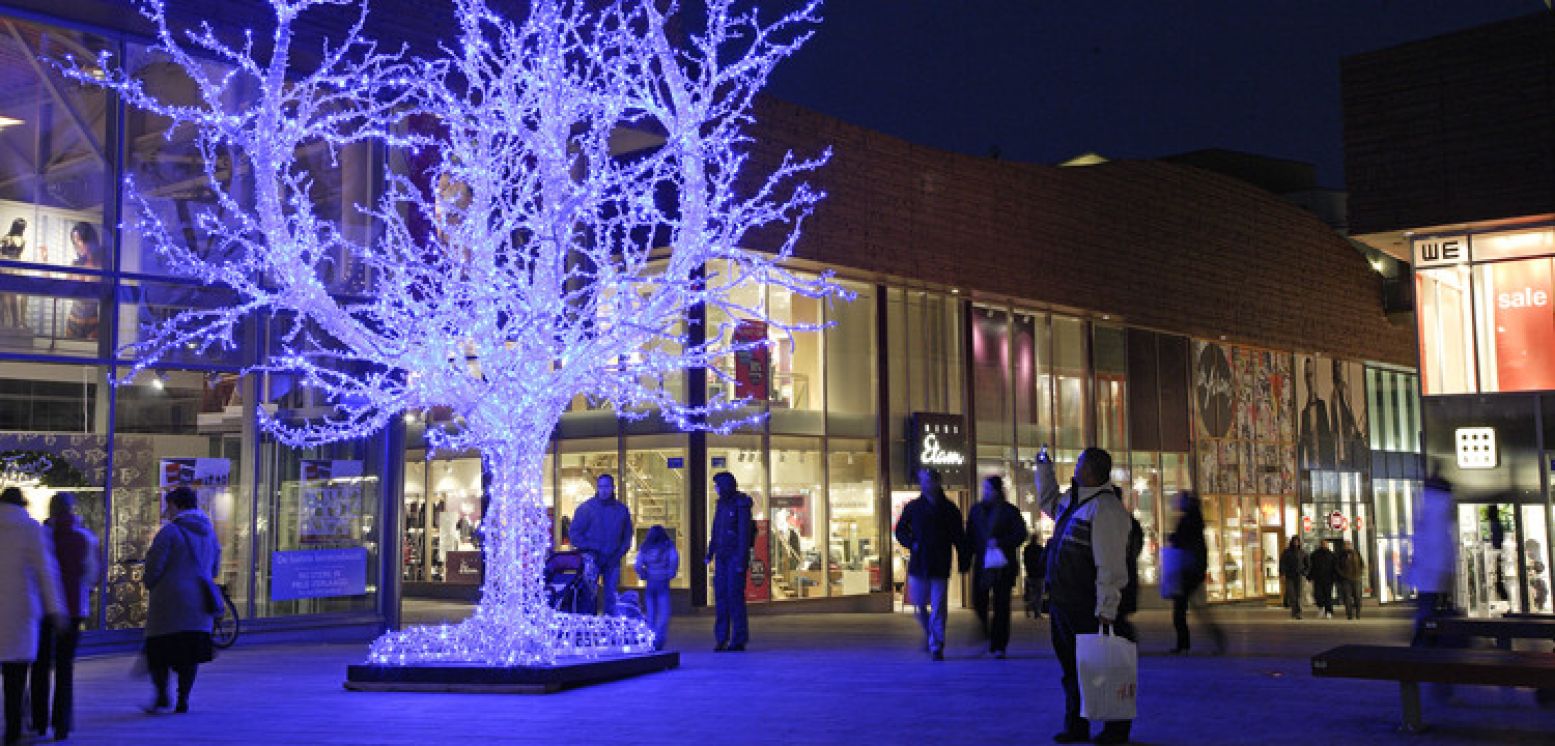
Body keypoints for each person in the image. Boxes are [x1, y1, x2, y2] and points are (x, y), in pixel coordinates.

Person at [1037, 447, 1134, 745]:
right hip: (1064, 601)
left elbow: (1110, 563)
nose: (1075, 466)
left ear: (1090, 470)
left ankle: (1115, 729)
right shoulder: (1074, 501)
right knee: (1072, 668)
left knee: (1101, 667)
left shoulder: (1106, 510)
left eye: (1079, 462)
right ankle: (1076, 725)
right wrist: (1043, 470)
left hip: (1086, 603)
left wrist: (1107, 605)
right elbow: (1048, 502)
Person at [142, 485, 221, 714]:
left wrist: (149, 581)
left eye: (169, 506)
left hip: (169, 602)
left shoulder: (169, 532)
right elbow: (214, 568)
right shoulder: (209, 533)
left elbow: (154, 567)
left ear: (176, 505)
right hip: (198, 605)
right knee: (189, 654)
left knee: (159, 650)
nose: (167, 511)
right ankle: (183, 698)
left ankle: (161, 695)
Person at [31, 493, 99, 740]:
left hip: (43, 609)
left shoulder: (41, 536)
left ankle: (38, 721)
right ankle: (61, 724)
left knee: (39, 666)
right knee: (64, 667)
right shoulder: (85, 537)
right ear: (72, 509)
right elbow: (92, 575)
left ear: (51, 510)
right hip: (73, 610)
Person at [1, 487, 65, 746]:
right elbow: (46, 572)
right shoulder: (31, 530)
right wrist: (55, 608)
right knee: (16, 676)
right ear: (23, 504)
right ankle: (14, 730)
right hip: (21, 610)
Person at [894, 467, 967, 661]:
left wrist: (963, 561)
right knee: (918, 603)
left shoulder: (949, 509)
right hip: (919, 562)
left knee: (939, 606)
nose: (926, 485)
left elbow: (959, 537)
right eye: (923, 481)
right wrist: (912, 543)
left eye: (928, 481)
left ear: (937, 482)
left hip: (939, 563)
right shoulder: (914, 507)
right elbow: (900, 530)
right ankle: (931, 633)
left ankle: (937, 644)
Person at [965, 475, 1029, 658]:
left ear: (997, 491)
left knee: (1002, 605)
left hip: (1003, 565)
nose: (986, 492)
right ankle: (987, 632)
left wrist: (1001, 542)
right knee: (979, 601)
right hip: (982, 564)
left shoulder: (1009, 511)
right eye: (984, 489)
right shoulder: (976, 511)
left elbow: (1020, 534)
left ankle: (999, 644)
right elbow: (970, 535)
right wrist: (966, 558)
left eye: (989, 489)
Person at [1164, 491, 1224, 655]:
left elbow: (1180, 540)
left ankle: (1185, 644)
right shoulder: (1195, 520)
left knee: (1182, 610)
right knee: (1194, 609)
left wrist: (1172, 537)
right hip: (1193, 570)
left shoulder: (1188, 521)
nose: (1176, 503)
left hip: (1188, 571)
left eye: (1179, 501)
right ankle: (1212, 640)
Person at [570, 474, 633, 615]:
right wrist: (590, 549)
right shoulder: (586, 509)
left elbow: (627, 535)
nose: (604, 490)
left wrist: (619, 553)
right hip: (591, 558)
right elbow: (574, 534)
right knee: (589, 595)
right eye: (601, 487)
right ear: (597, 488)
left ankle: (609, 626)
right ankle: (589, 626)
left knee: (611, 595)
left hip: (613, 558)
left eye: (607, 486)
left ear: (612, 488)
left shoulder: (621, 510)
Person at [707, 472, 753, 651]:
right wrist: (710, 552)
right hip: (722, 557)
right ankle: (721, 637)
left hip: (734, 557)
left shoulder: (741, 504)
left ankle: (738, 638)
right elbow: (716, 530)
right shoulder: (721, 505)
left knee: (734, 598)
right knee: (721, 597)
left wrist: (742, 562)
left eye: (717, 485)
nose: (715, 489)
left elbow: (744, 535)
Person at [1408, 472, 1456, 644]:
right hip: (1434, 575)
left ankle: (1423, 642)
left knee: (1427, 612)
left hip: (1429, 577)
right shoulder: (1437, 512)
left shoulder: (1427, 512)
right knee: (1431, 613)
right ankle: (1426, 642)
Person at [633, 525, 679, 651]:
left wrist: (643, 574)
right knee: (664, 612)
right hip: (663, 582)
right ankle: (660, 638)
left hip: (650, 582)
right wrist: (671, 572)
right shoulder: (667, 547)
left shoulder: (645, 548)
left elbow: (637, 565)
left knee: (651, 613)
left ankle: (651, 638)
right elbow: (674, 559)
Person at [64, 223, 104, 340]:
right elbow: (63, 288)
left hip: (93, 321)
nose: (78, 245)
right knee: (71, 352)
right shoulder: (75, 264)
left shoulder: (102, 265)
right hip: (74, 320)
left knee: (90, 353)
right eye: (74, 241)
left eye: (80, 240)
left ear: (89, 240)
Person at [1334, 538, 1366, 620]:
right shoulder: (1340, 555)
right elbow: (1337, 566)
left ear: (1351, 546)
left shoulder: (1356, 553)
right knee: (1347, 597)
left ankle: (1358, 613)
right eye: (1345, 545)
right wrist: (1342, 575)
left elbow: (1362, 564)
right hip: (1346, 579)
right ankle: (1349, 615)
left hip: (1356, 578)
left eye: (1348, 545)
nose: (1346, 546)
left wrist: (1360, 573)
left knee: (1357, 597)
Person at [1278, 536, 1309, 620]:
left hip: (1298, 576)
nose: (1296, 543)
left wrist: (1305, 572)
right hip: (1289, 576)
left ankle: (1297, 612)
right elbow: (1282, 563)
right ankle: (1296, 611)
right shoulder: (1287, 552)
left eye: (1297, 541)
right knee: (1292, 595)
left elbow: (1307, 564)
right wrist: (1282, 574)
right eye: (1294, 541)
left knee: (1298, 595)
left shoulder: (1302, 552)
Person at [1307, 541, 1337, 619]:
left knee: (1328, 595)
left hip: (1328, 579)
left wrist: (1334, 577)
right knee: (1318, 595)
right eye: (1323, 544)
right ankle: (1321, 607)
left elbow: (1335, 567)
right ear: (1320, 545)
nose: (1324, 545)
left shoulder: (1331, 555)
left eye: (1325, 544)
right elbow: (1311, 566)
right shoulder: (1315, 554)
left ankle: (1329, 611)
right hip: (1318, 578)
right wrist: (1309, 576)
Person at [1023, 535, 1047, 619]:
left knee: (1032, 593)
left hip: (1030, 574)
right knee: (1039, 594)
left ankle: (1029, 609)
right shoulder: (1040, 549)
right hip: (1039, 574)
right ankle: (1037, 612)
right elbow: (1043, 560)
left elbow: (1025, 561)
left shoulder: (1027, 549)